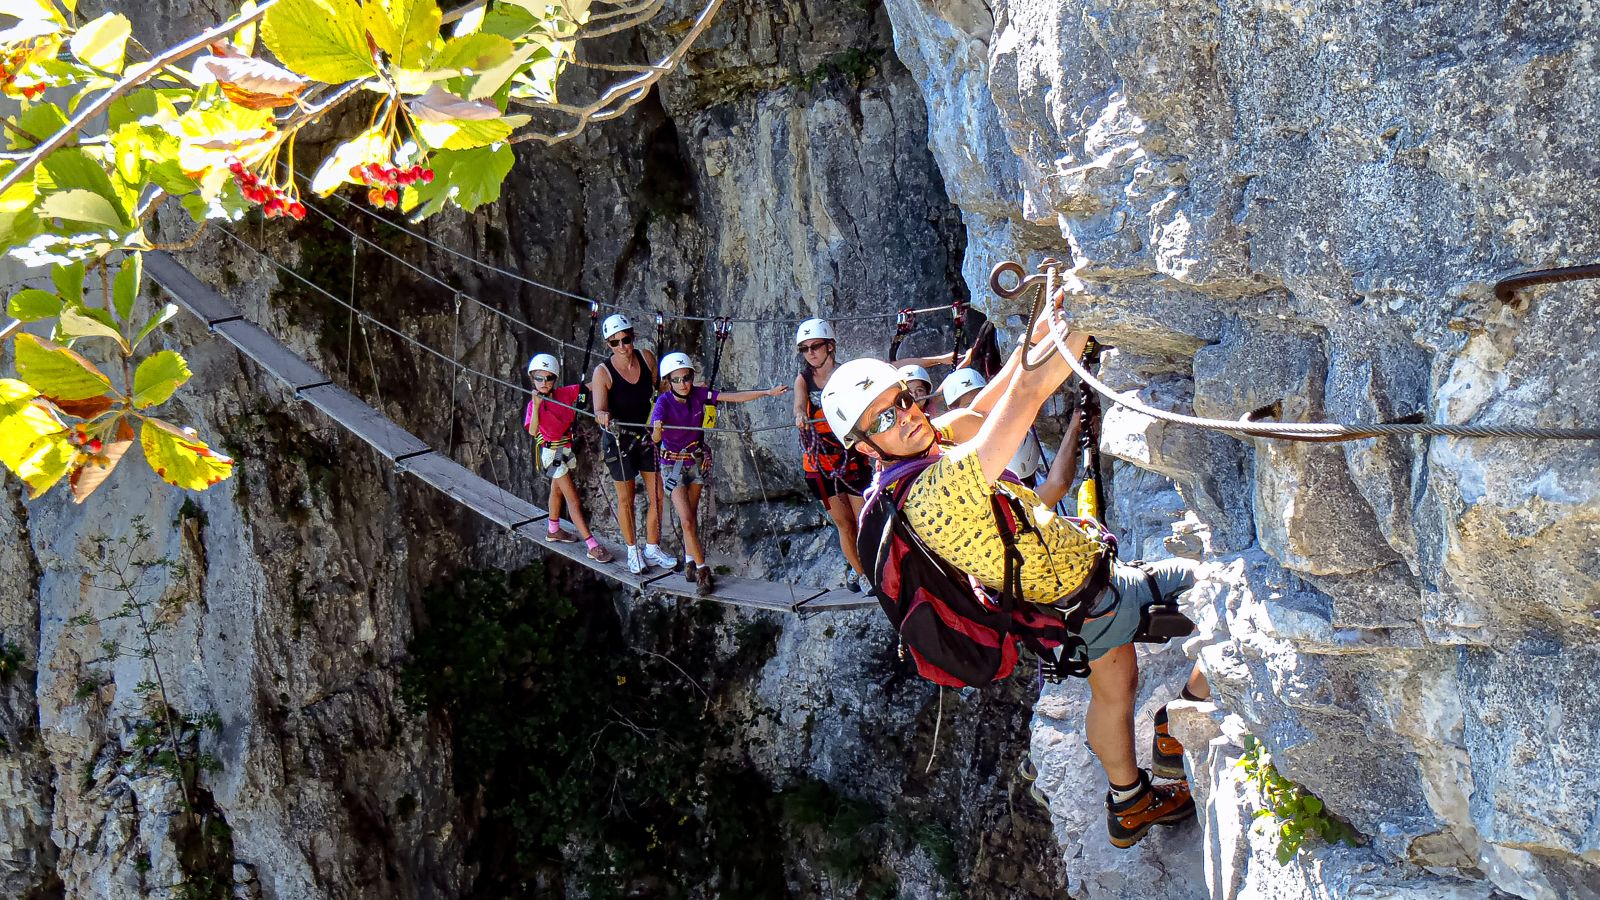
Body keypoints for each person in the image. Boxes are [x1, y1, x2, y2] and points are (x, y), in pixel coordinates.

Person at [820, 319, 1210, 850]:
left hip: (1061, 613)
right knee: (1219, 595)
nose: (907, 416)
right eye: (884, 418)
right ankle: (1179, 727)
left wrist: (1047, 323)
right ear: (865, 446)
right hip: (1093, 595)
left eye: (906, 398)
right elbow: (1026, 393)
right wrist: (1088, 310)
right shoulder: (933, 493)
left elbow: (989, 401)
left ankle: (1129, 803)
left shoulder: (918, 451)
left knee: (1114, 692)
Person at [792, 318, 951, 591]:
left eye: (815, 346)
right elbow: (798, 404)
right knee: (844, 525)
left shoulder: (848, 375)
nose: (810, 353)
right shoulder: (803, 380)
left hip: (851, 459)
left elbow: (894, 369)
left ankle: (877, 571)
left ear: (830, 346)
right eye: (804, 349)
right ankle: (865, 575)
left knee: (863, 520)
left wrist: (941, 360)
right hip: (820, 464)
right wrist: (799, 415)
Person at [650, 352, 790, 595]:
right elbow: (655, 439)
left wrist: (767, 392)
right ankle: (704, 571)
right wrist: (658, 429)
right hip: (672, 465)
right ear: (667, 382)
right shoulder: (663, 403)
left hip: (694, 463)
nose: (683, 383)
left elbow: (733, 397)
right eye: (677, 379)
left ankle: (689, 562)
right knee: (686, 519)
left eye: (687, 377)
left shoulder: (700, 395)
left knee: (691, 517)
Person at [591, 313, 674, 575]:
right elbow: (599, 410)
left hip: (647, 436)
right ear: (608, 345)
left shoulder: (647, 358)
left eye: (626, 339)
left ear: (633, 337)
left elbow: (657, 390)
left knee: (658, 495)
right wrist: (603, 416)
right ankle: (632, 549)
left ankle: (652, 547)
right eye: (615, 343)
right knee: (626, 499)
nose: (623, 346)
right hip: (619, 440)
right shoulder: (602, 373)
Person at [525, 354, 616, 564]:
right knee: (573, 500)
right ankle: (592, 545)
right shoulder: (534, 405)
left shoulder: (565, 394)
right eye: (539, 378)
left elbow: (590, 386)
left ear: (554, 379)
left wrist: (611, 379)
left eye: (548, 378)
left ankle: (553, 529)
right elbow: (532, 431)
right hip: (552, 454)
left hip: (564, 450)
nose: (544, 382)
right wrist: (537, 405)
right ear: (533, 379)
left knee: (556, 491)